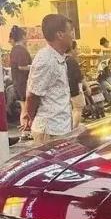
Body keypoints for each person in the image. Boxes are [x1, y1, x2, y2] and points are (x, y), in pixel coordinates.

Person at [21, 14, 74, 145]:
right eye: (70, 31)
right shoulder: (47, 60)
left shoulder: (58, 57)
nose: (72, 36)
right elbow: (33, 95)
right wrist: (29, 118)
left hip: (60, 128)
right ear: (60, 34)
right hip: (50, 131)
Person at [9, 26, 32, 123]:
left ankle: (24, 129)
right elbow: (22, 66)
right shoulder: (20, 50)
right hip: (23, 83)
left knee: (24, 108)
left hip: (18, 83)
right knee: (26, 109)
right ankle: (25, 129)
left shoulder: (15, 49)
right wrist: (35, 66)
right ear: (23, 37)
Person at [66, 40, 87, 129]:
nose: (78, 51)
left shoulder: (63, 59)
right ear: (72, 49)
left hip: (67, 89)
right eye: (77, 48)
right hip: (75, 88)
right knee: (78, 108)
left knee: (73, 109)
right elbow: (79, 76)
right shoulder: (72, 60)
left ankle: (72, 126)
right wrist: (87, 86)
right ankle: (74, 128)